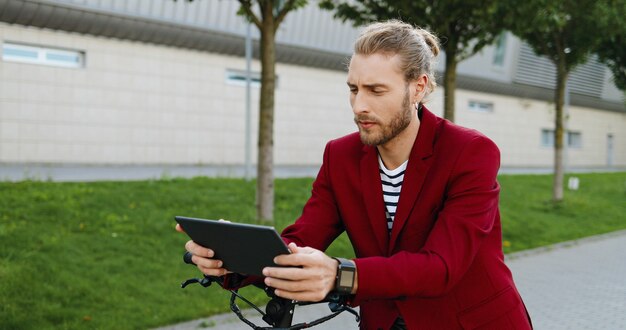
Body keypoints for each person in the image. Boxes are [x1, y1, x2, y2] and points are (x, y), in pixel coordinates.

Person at [178, 20, 533, 330]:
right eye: (353, 88)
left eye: (376, 90)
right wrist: (230, 258)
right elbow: (302, 240)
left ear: (419, 87)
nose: (360, 105)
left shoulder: (469, 152)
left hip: (468, 323)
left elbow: (441, 267)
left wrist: (340, 274)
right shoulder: (341, 155)